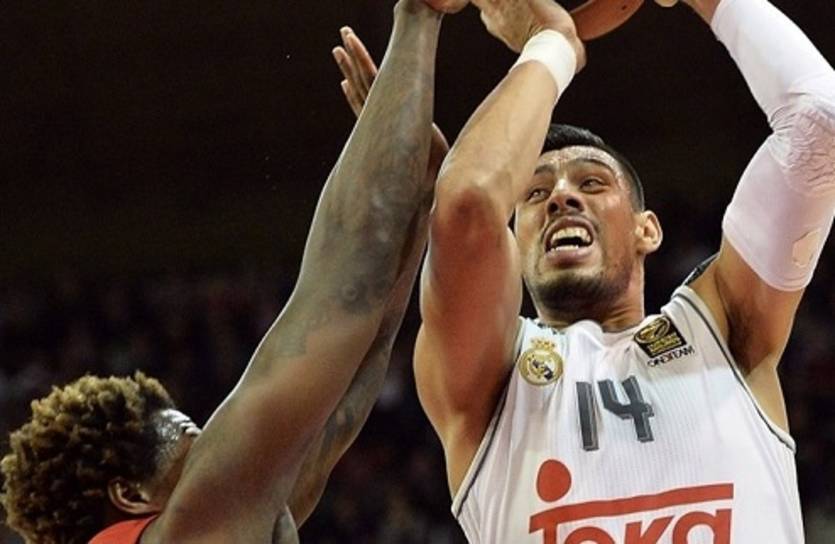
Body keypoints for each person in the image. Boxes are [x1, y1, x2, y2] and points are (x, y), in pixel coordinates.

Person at [0, 1, 463, 542]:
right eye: (197, 441)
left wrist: (420, 200)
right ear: (131, 494)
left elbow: (357, 364)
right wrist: (419, 16)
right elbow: (342, 285)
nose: (224, 445)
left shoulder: (225, 520)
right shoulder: (192, 522)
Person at [413, 0, 835, 542]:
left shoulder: (723, 329)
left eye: (591, 183)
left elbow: (821, 126)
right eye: (534, 194)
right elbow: (468, 206)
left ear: (647, 230)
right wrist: (555, 42)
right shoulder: (489, 375)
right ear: (512, 243)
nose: (561, 197)